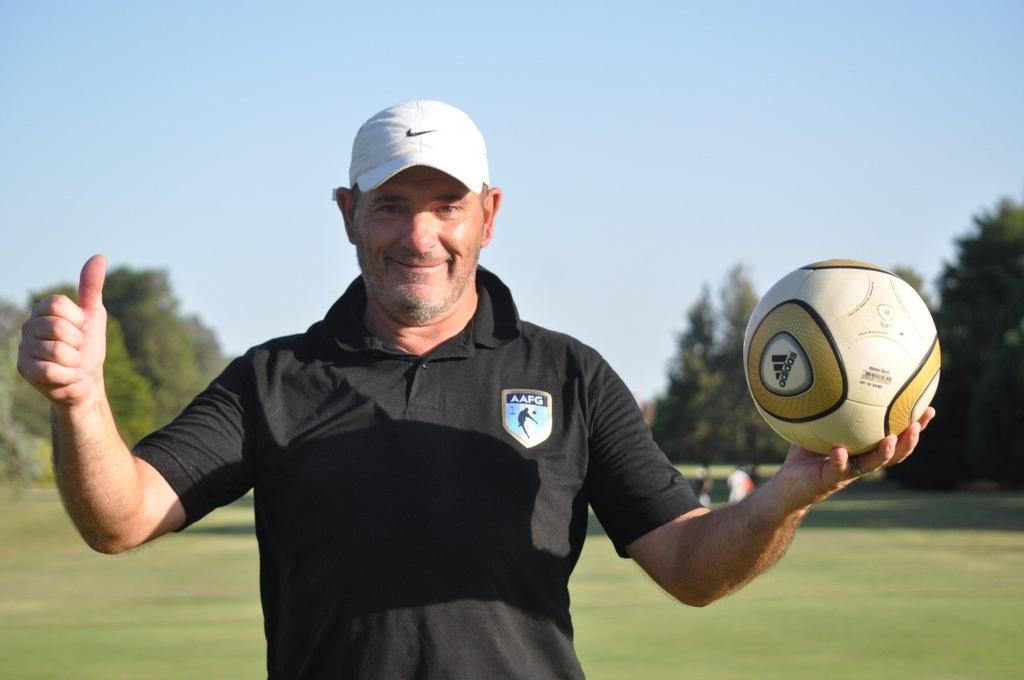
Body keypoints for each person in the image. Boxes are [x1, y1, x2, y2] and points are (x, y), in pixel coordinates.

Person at [17, 99, 934, 679]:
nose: (420, 235)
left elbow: (690, 569)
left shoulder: (570, 375)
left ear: (488, 215)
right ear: (348, 216)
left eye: (445, 204)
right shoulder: (273, 379)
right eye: (391, 205)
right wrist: (80, 404)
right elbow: (120, 517)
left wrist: (788, 494)